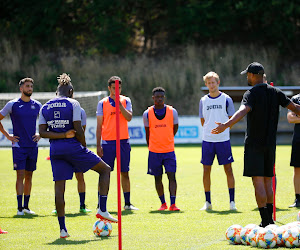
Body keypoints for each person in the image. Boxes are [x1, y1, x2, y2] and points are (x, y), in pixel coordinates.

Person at [211, 62, 300, 227]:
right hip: (270, 144)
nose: (247, 77)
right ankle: (270, 220)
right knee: (268, 181)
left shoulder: (250, 93)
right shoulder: (276, 92)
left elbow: (243, 110)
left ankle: (265, 220)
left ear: (252, 75)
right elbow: (294, 107)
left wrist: (226, 124)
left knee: (258, 182)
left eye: (247, 75)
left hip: (254, 144)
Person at [39, 73, 117, 238]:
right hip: (73, 148)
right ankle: (102, 209)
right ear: (71, 91)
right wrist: (83, 148)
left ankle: (63, 230)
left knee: (59, 190)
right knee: (105, 170)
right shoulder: (73, 103)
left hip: (55, 151)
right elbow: (78, 129)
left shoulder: (44, 107)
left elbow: (42, 133)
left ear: (56, 92)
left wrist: (60, 136)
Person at [0, 78, 42, 216]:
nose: (30, 88)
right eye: (27, 86)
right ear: (21, 89)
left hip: (33, 146)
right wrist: (7, 135)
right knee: (20, 176)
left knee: (30, 176)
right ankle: (19, 209)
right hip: (19, 147)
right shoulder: (12, 104)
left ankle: (26, 207)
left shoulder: (37, 105)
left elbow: (45, 121)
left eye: (31, 86)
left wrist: (40, 134)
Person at [96, 76, 138, 210]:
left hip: (123, 142)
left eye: (119, 88)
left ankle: (127, 203)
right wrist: (98, 145)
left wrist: (119, 105)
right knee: (105, 173)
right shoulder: (102, 103)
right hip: (108, 143)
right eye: (114, 88)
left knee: (125, 172)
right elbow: (99, 125)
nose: (117, 90)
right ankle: (100, 205)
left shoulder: (126, 101)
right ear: (109, 88)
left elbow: (129, 117)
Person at [199, 72, 236, 211]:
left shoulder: (226, 99)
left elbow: (232, 119)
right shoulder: (203, 100)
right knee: (206, 170)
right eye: (209, 83)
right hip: (208, 141)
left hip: (223, 140)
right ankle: (208, 202)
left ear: (218, 82)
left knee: (228, 170)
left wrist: (224, 130)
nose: (211, 85)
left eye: (213, 82)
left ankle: (232, 202)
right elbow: (203, 121)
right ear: (206, 84)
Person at [143, 87, 180, 211]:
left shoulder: (172, 111)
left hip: (169, 150)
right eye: (157, 97)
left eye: (161, 97)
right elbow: (147, 132)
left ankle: (173, 204)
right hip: (154, 151)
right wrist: (152, 145)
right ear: (153, 98)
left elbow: (175, 128)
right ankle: (163, 203)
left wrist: (167, 139)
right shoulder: (147, 113)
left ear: (164, 98)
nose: (159, 99)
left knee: (172, 176)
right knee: (157, 177)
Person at [52, 106, 92, 214]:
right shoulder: (56, 110)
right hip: (61, 149)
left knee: (80, 176)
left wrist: (82, 146)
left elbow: (82, 129)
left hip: (76, 148)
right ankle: (58, 207)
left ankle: (82, 206)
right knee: (60, 179)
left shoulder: (80, 111)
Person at [287, 93, 300, 208]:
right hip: (298, 139)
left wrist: (298, 117)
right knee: (297, 169)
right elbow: (290, 118)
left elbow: (295, 118)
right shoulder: (295, 99)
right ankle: (298, 199)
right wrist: (295, 117)